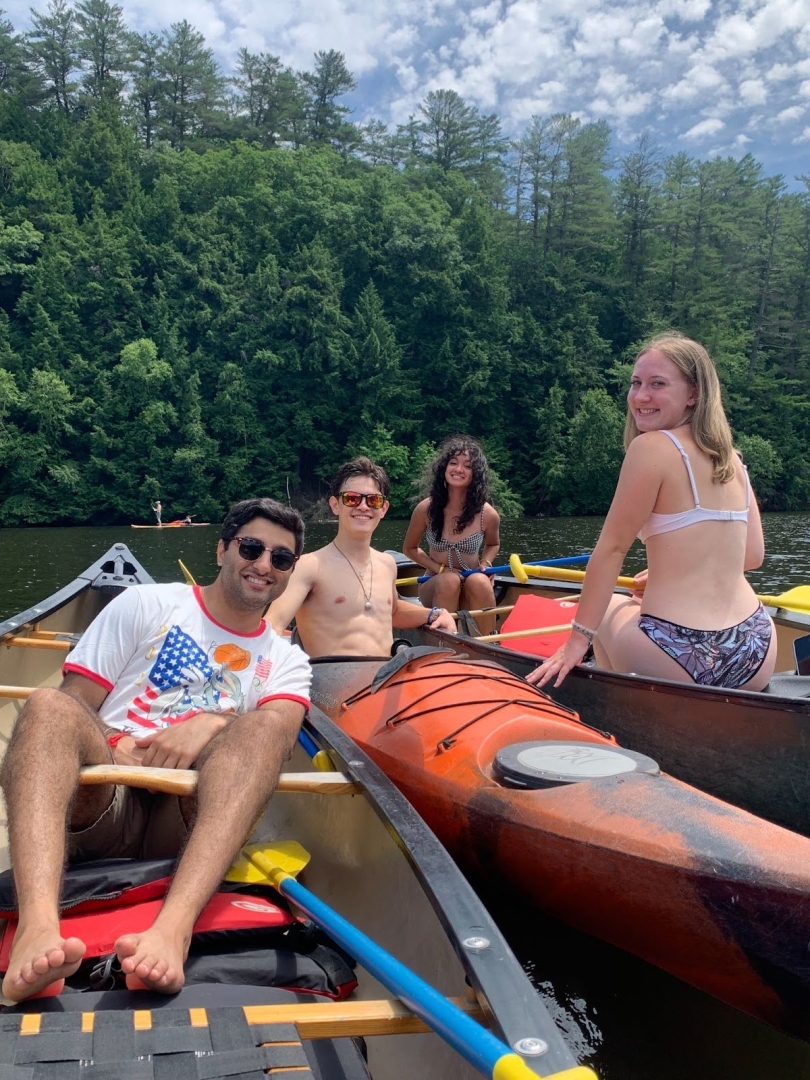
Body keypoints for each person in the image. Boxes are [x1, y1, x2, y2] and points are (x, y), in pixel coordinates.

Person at [0, 498, 311, 1003]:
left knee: (260, 731)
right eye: (251, 548)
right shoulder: (146, 604)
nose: (264, 565)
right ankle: (38, 930)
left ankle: (172, 932)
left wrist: (210, 723)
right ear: (221, 550)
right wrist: (122, 751)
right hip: (103, 800)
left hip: (186, 821)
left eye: (281, 558)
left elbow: (277, 729)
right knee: (45, 707)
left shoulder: (286, 662)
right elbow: (75, 705)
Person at [527, 332, 777, 693]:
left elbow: (612, 551)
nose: (641, 396)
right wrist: (671, 570)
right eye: (636, 383)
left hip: (678, 654)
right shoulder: (732, 459)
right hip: (755, 649)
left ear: (693, 394)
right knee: (627, 605)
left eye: (657, 384)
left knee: (611, 604)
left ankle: (622, 718)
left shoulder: (651, 449)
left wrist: (576, 642)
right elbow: (752, 556)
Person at [268, 457, 456, 657]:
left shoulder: (387, 564)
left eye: (373, 500)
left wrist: (434, 613)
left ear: (383, 509)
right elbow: (274, 625)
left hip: (386, 678)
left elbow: (391, 612)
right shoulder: (309, 566)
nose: (363, 507)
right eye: (352, 498)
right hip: (333, 683)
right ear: (335, 505)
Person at [402, 436, 501, 635]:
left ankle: (490, 641)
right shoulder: (426, 509)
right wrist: (439, 569)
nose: (458, 469)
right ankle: (446, 640)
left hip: (470, 579)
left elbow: (493, 544)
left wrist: (486, 563)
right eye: (453, 463)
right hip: (435, 583)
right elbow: (410, 548)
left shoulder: (487, 514)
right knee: (449, 580)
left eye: (467, 466)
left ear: (476, 474)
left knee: (480, 581)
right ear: (444, 468)